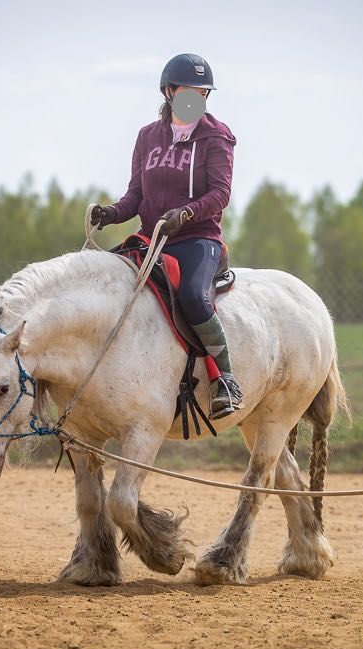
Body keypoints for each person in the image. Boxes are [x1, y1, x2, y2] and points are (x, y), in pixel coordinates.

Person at [90, 52, 243, 420]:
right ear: (169, 91)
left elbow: (221, 193)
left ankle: (225, 379)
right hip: (150, 238)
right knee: (104, 285)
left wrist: (186, 213)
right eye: (189, 91)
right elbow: (136, 195)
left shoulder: (217, 137)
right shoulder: (147, 137)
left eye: (202, 93)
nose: (197, 99)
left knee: (192, 295)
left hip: (197, 239)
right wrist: (112, 213)